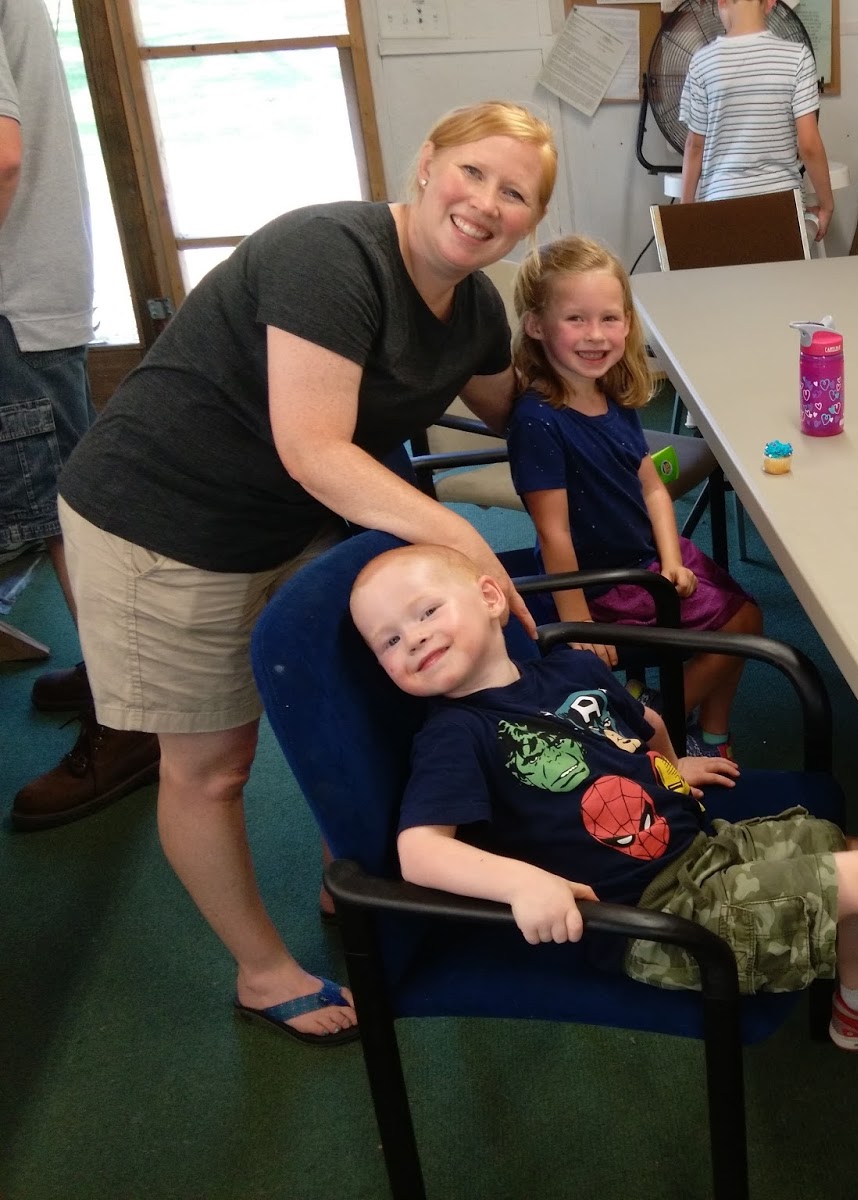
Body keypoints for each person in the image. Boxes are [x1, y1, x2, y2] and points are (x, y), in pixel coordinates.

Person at [45, 100, 558, 1045]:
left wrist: (604, 389)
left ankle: (345, 872)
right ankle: (261, 972)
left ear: (531, 222)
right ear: (426, 163)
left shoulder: (475, 309)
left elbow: (515, 410)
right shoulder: (332, 254)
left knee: (355, 700)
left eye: (516, 193)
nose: (487, 203)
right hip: (163, 517)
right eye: (472, 171)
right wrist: (458, 534)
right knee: (213, 769)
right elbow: (314, 448)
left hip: (300, 519)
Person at [347, 541, 858, 1048]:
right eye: (389, 641)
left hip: (701, 852)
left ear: (490, 598)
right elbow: (421, 853)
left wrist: (675, 772)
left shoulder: (569, 668)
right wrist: (521, 884)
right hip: (653, 922)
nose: (413, 639)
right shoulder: (455, 735)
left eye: (426, 612)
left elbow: (642, 728)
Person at [2, 0, 161, 828]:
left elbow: (1, 156)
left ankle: (132, 720)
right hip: (31, 287)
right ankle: (115, 679)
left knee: (65, 518)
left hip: (12, 298)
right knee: (67, 505)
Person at [507, 235, 758, 759]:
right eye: (575, 319)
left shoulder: (612, 396)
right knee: (741, 627)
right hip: (601, 584)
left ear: (626, 321)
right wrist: (578, 624)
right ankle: (648, 724)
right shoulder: (538, 420)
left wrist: (671, 559)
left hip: (646, 559)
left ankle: (709, 736)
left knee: (744, 615)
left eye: (609, 318)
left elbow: (652, 488)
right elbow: (553, 532)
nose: (596, 335)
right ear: (536, 325)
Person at [679, 0, 833, 242]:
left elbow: (694, 146)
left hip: (721, 205)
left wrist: (685, 214)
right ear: (770, 3)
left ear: (722, 2)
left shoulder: (702, 62)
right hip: (782, 204)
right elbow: (809, 145)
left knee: (728, 268)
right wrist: (826, 204)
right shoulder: (797, 57)